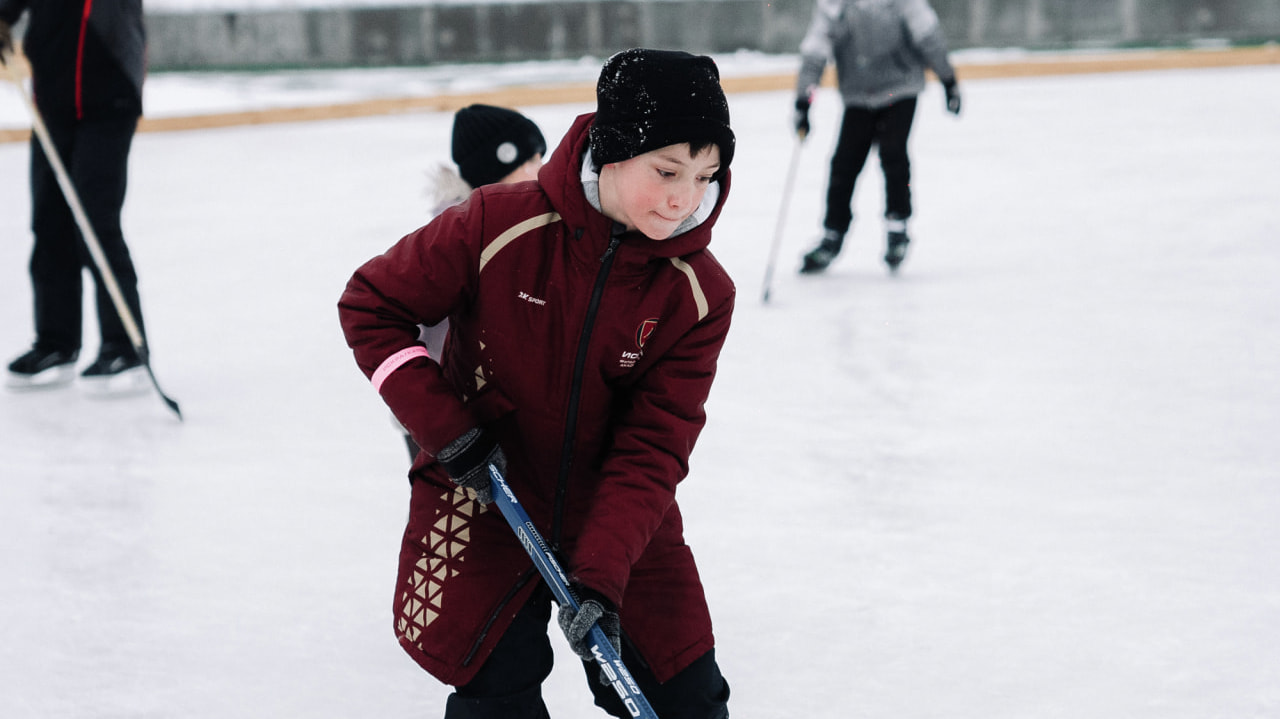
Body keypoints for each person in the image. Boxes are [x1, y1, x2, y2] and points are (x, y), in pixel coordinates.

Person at [339, 48, 735, 719]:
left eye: (706, 176)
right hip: (484, 493)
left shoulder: (697, 292)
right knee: (498, 690)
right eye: (667, 171)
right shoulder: (498, 222)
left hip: (618, 513)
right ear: (613, 151)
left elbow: (653, 448)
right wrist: (448, 435)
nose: (685, 199)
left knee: (687, 695)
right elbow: (371, 305)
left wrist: (604, 578)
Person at [1, 0, 152, 391]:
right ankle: (56, 343)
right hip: (53, 97)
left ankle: (125, 348)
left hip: (109, 96)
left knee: (97, 224)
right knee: (50, 222)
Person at [399, 103, 547, 461]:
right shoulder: (461, 237)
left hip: (476, 412)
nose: (541, 171)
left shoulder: (501, 228)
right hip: (449, 421)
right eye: (533, 160)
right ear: (501, 165)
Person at [793, 0, 962, 274]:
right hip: (859, 95)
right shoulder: (835, 5)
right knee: (843, 164)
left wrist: (948, 80)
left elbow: (927, 36)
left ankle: (898, 226)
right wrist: (804, 100)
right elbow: (816, 51)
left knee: (893, 152)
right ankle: (832, 234)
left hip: (901, 88)